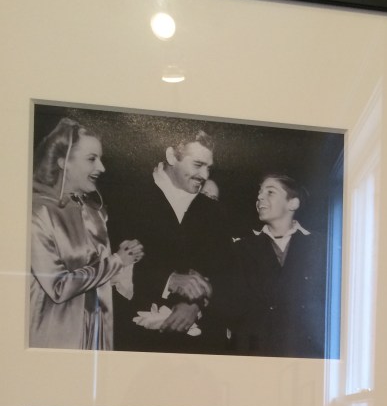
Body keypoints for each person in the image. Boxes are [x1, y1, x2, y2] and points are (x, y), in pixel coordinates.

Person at [110, 127, 232, 354]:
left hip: (201, 346)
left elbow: (227, 275)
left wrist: (195, 304)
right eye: (198, 165)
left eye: (209, 167)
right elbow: (111, 267)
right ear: (171, 156)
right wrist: (168, 281)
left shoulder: (215, 211)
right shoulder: (125, 197)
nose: (205, 175)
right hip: (140, 343)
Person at [30, 118, 144, 350]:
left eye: (100, 159)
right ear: (64, 162)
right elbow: (59, 287)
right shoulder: (36, 212)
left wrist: (127, 259)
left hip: (96, 334)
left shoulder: (95, 212)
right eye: (92, 159)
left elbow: (98, 276)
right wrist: (116, 261)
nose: (101, 168)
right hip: (55, 339)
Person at [231, 173, 332, 358]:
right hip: (258, 352)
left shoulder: (322, 245)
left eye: (270, 192)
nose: (260, 197)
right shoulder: (242, 248)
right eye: (259, 193)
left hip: (305, 352)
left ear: (293, 203)